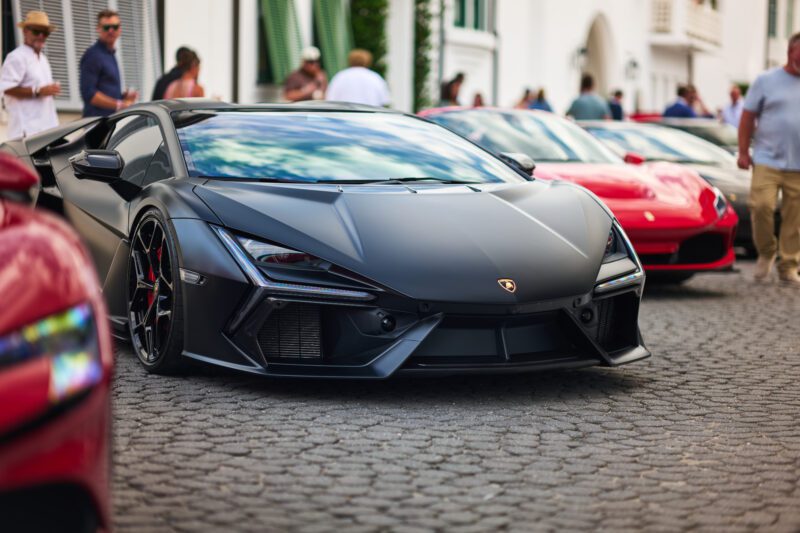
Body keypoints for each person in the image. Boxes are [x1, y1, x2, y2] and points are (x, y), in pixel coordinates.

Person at [738, 32, 800, 287]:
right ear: (790, 53)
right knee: (761, 206)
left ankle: (789, 265)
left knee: (795, 217)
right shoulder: (766, 81)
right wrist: (743, 151)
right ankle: (766, 251)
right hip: (767, 158)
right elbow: (747, 117)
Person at [0, 11, 60, 138]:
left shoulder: (43, 59)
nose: (41, 36)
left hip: (46, 130)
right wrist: (37, 91)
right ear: (25, 31)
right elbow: (6, 88)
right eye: (36, 32)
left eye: (45, 33)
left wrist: (49, 90)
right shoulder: (16, 57)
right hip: (26, 132)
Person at [79, 9, 137, 117]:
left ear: (120, 29)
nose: (111, 30)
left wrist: (123, 98)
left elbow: (106, 90)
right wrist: (119, 104)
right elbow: (88, 93)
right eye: (106, 27)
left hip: (110, 121)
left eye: (114, 27)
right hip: (96, 123)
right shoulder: (93, 55)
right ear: (98, 29)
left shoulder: (111, 54)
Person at [325, 49, 390, 107]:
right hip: (370, 117)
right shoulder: (375, 77)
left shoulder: (340, 76)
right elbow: (384, 101)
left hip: (344, 116)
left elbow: (330, 98)